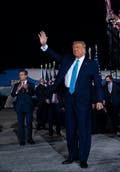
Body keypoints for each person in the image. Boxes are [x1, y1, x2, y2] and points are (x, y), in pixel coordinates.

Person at [38, 31, 103, 168]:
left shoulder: (91, 64)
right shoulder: (67, 59)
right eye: (73, 47)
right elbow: (55, 55)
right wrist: (45, 45)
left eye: (78, 47)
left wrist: (99, 100)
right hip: (69, 99)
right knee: (70, 130)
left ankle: (83, 158)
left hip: (83, 102)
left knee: (83, 131)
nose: (75, 49)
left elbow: (97, 84)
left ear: (84, 49)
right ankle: (72, 156)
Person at [11, 69, 35, 146]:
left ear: (26, 75)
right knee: (20, 124)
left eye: (22, 74)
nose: (20, 76)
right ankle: (22, 140)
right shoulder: (16, 85)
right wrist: (17, 90)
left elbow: (32, 94)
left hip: (28, 107)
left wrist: (27, 89)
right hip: (19, 107)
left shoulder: (31, 84)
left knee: (29, 123)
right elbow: (12, 95)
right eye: (19, 75)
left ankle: (30, 139)